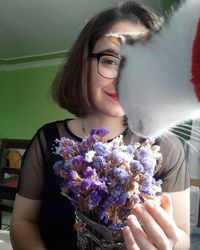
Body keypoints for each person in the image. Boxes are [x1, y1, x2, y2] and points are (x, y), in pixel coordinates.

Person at [10, 1, 190, 250]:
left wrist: (171, 244)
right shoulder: (48, 140)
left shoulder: (167, 147)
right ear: (83, 63)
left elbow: (182, 237)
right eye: (111, 61)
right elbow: (22, 221)